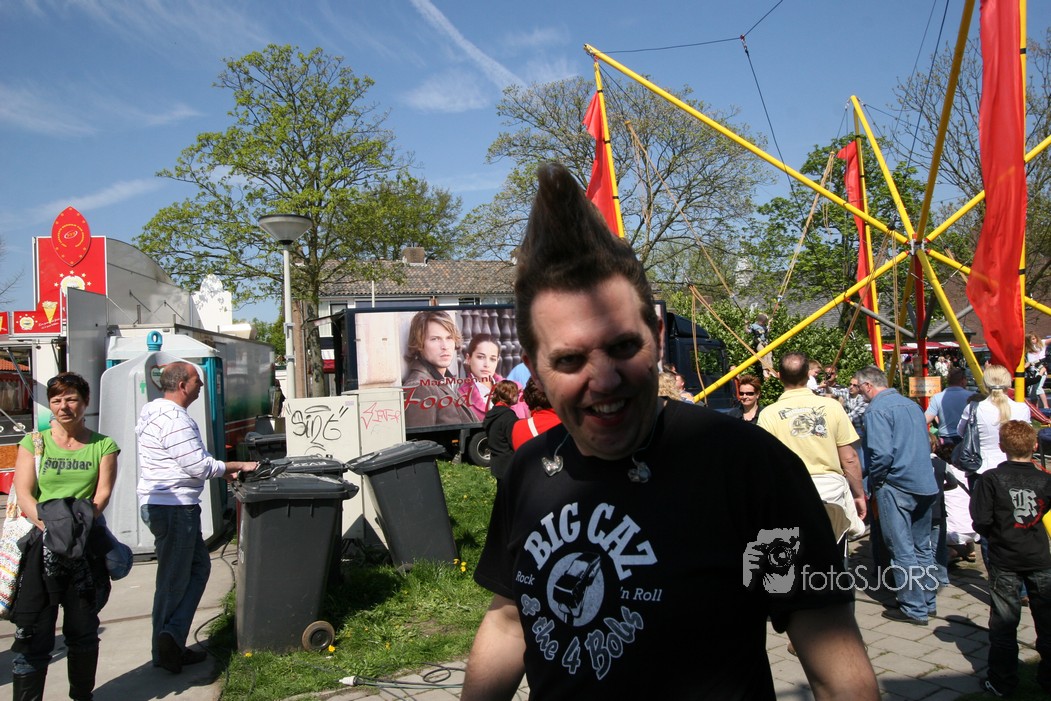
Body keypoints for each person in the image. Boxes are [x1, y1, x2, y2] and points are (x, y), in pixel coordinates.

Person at [461, 162, 877, 700]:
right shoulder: (529, 470)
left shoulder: (747, 466)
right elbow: (509, 620)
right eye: (568, 360)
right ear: (533, 369)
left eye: (622, 347)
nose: (603, 380)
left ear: (657, 336)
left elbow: (832, 658)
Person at [137, 361, 257, 674]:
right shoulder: (175, 419)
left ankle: (171, 638)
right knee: (174, 579)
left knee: (196, 569)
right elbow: (198, 466)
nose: (201, 387)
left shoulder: (153, 411)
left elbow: (186, 461)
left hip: (167, 505)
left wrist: (222, 471)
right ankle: (167, 643)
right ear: (182, 385)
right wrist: (237, 466)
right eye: (197, 381)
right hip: (175, 507)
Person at [10, 372, 120, 700]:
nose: (63, 406)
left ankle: (81, 696)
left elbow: (102, 495)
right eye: (56, 400)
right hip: (40, 549)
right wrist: (50, 526)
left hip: (83, 548)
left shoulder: (103, 445)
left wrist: (76, 527)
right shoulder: (34, 442)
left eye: (71, 399)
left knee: (83, 631)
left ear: (85, 402)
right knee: (32, 635)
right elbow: (24, 493)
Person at [970, 420, 1051, 697]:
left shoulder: (991, 479)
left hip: (1005, 556)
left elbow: (981, 520)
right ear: (1035, 446)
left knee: (1004, 624)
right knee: (1047, 621)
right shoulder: (1044, 479)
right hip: (1037, 555)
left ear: (1001, 446)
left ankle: (1003, 681)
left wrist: (998, 532)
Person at [854, 365, 939, 625]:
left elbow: (880, 454)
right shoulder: (911, 406)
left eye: (859, 388)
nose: (859, 393)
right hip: (924, 481)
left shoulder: (876, 410)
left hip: (897, 485)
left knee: (902, 549)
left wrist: (875, 480)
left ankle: (914, 607)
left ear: (868, 386)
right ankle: (928, 600)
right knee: (922, 546)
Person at [757, 353, 867, 552]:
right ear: (808, 375)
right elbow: (849, 458)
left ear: (779, 376)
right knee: (834, 551)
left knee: (797, 554)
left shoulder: (768, 414)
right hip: (831, 492)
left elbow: (764, 464)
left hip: (791, 492)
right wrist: (859, 494)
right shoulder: (832, 407)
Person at [402, 309, 477, 427]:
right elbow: (420, 438)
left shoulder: (445, 380)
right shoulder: (420, 388)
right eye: (435, 339)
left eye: (449, 338)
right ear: (419, 344)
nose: (445, 346)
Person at [956, 364, 1030, 479]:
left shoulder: (974, 408)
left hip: (982, 468)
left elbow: (961, 432)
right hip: (1015, 468)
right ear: (1009, 382)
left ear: (985, 383)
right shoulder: (1022, 408)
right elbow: (1027, 437)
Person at [459, 334, 527, 421]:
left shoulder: (516, 388)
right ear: (468, 359)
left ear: (497, 361)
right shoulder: (460, 396)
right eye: (480, 357)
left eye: (492, 359)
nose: (487, 364)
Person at [482, 380, 521, 481]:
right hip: (509, 464)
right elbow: (514, 441)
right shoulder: (508, 416)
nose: (518, 396)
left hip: (497, 463)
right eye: (516, 393)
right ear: (510, 395)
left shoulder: (492, 413)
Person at [925, 367, 971, 446]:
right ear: (963, 380)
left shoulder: (937, 397)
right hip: (966, 439)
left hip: (945, 440)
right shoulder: (971, 396)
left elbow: (926, 419)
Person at [1025, 333, 1050, 411]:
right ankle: (1035, 408)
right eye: (1030, 340)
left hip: (1041, 370)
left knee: (1038, 388)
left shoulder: (1042, 343)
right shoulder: (1027, 348)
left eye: (1034, 339)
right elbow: (1028, 362)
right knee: (1032, 391)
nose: (1033, 341)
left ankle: (1046, 407)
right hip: (1032, 371)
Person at [748, 312, 773, 377]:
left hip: (765, 342)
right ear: (760, 320)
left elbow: (767, 331)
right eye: (763, 321)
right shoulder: (753, 326)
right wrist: (746, 324)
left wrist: (769, 324)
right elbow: (748, 331)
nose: (763, 323)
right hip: (759, 342)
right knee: (763, 353)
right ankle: (765, 369)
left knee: (769, 353)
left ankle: (770, 369)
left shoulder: (764, 326)